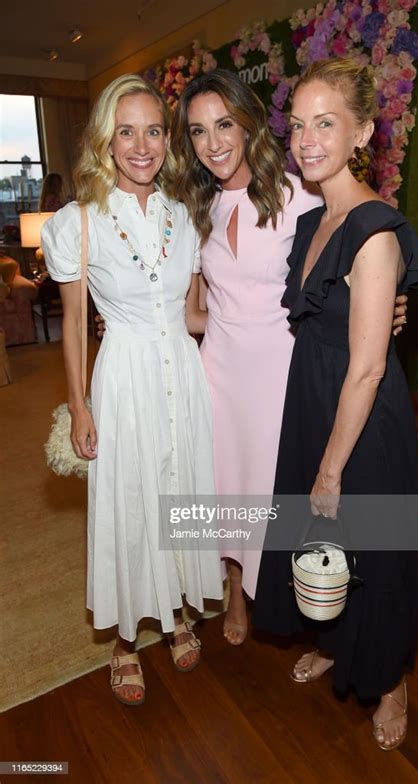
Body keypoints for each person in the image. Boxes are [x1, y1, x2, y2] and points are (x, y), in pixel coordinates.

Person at [170, 69, 408, 646]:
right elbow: (193, 312)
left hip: (282, 371)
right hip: (219, 371)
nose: (214, 143)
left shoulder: (301, 192)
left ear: (249, 123)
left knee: (276, 495)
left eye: (224, 124)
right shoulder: (193, 207)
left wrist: (384, 308)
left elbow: (359, 249)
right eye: (198, 132)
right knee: (227, 488)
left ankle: (299, 599)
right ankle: (235, 591)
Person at [253, 58, 418, 750]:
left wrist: (329, 467)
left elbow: (368, 367)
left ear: (362, 132)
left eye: (326, 123)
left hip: (360, 416)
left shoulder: (375, 229)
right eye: (299, 124)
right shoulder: (311, 222)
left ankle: (391, 680)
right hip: (314, 400)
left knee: (372, 552)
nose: (308, 139)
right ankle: (334, 641)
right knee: (324, 544)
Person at [42, 74, 223, 707]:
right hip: (120, 378)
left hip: (182, 371)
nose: (141, 145)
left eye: (153, 130)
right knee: (128, 502)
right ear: (106, 140)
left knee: (178, 491)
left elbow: (199, 314)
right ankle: (125, 642)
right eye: (127, 131)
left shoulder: (183, 216)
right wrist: (80, 405)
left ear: (167, 139)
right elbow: (70, 323)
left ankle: (175, 615)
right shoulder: (79, 222)